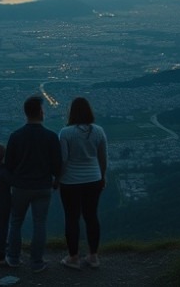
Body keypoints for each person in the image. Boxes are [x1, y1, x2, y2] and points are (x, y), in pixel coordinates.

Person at [4, 94, 62, 273]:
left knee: (15, 222)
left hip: (21, 186)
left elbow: (9, 165)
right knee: (40, 223)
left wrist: (13, 182)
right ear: (40, 113)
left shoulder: (16, 136)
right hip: (43, 186)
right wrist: (56, 180)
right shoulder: (51, 137)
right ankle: (37, 262)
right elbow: (57, 164)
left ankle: (13, 258)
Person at [57, 97, 108, 270]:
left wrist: (58, 178)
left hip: (70, 181)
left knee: (72, 218)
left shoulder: (65, 132)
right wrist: (102, 176)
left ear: (71, 112)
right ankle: (93, 256)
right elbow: (102, 157)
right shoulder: (99, 131)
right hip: (93, 179)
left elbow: (63, 160)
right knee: (91, 216)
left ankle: (73, 257)